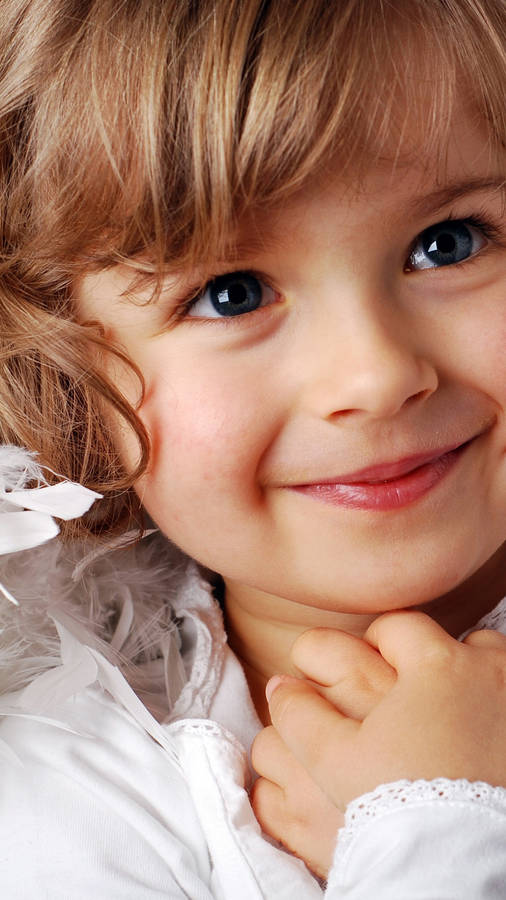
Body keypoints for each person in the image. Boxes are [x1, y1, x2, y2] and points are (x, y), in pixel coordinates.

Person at [0, 0, 505, 896]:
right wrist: (444, 827)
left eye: (448, 244)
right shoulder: (55, 809)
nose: (377, 376)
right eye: (229, 293)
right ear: (65, 376)